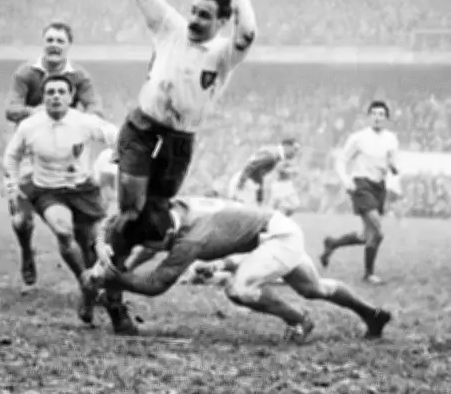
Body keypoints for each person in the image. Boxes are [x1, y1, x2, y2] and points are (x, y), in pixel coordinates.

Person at [84, 196, 393, 342]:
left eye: (155, 246)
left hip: (275, 237)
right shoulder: (170, 206)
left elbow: (156, 284)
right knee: (314, 288)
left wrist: (113, 277)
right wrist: (101, 246)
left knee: (239, 289)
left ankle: (300, 320)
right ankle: (371, 314)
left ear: (166, 237)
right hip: (276, 229)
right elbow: (112, 219)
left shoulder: (191, 238)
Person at [114, 0, 257, 243]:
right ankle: (104, 269)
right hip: (142, 128)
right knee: (130, 208)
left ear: (221, 22)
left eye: (205, 15)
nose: (194, 19)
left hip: (179, 140)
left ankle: (114, 265)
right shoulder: (170, 27)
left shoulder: (223, 54)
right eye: (193, 11)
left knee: (152, 221)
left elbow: (248, 32)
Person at [3, 75, 117, 323]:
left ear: (70, 96)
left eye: (61, 92)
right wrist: (12, 187)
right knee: (63, 232)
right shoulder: (30, 126)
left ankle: (88, 298)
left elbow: (114, 135)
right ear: (43, 98)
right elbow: (11, 157)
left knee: (93, 246)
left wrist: (120, 154)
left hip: (83, 190)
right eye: (50, 92)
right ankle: (84, 283)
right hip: (48, 191)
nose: (55, 96)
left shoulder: (84, 122)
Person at [4, 21, 102, 287]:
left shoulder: (79, 77)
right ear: (43, 43)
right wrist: (36, 113)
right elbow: (11, 109)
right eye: (50, 40)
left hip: (67, 154)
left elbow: (95, 108)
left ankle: (89, 281)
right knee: (21, 220)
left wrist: (76, 119)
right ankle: (26, 252)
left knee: (81, 232)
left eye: (60, 41)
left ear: (69, 46)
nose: (54, 45)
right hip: (30, 154)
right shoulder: (26, 73)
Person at [320, 101, 399, 284]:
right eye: (374, 114)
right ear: (369, 117)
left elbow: (393, 164)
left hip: (379, 186)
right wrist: (346, 181)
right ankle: (369, 274)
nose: (378, 117)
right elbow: (341, 160)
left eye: (381, 114)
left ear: (386, 118)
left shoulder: (391, 139)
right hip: (361, 185)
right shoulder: (358, 138)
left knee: (366, 236)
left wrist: (394, 168)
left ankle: (332, 243)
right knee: (378, 231)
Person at [227, 138, 301, 214]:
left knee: (248, 214)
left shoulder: (274, 155)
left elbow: (257, 173)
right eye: (295, 149)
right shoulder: (272, 155)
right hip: (245, 182)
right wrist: (240, 186)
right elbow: (250, 166)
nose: (295, 153)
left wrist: (259, 197)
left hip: (247, 182)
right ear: (286, 146)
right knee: (243, 214)